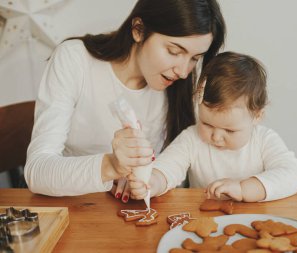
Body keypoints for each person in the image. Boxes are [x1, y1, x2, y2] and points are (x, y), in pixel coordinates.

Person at [24, 0, 226, 198]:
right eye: (173, 51)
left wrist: (142, 178)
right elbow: (37, 172)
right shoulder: (74, 60)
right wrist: (110, 166)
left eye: (195, 58)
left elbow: (173, 169)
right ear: (138, 30)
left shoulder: (177, 84)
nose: (183, 72)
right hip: (70, 208)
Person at [128, 52, 297, 202]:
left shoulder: (264, 141)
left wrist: (244, 189)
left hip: (255, 218)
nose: (216, 137)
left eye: (230, 130)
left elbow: (291, 174)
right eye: (207, 124)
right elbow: (169, 166)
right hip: (205, 219)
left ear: (257, 116)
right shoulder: (192, 138)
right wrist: (153, 182)